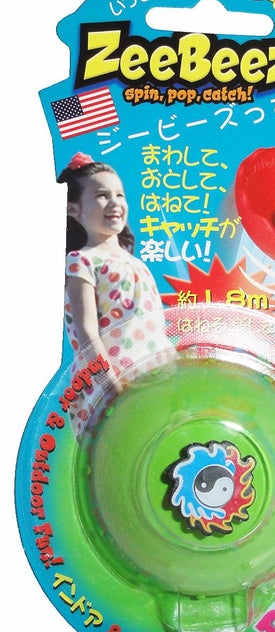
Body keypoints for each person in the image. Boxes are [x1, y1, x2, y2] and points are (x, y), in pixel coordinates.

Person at [59, 152, 173, 438]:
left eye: (119, 195)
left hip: (153, 378)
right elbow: (86, 331)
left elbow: (157, 329)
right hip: (110, 383)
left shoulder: (138, 264)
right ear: (73, 209)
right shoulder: (82, 261)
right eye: (101, 195)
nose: (114, 203)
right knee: (117, 449)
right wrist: (109, 384)